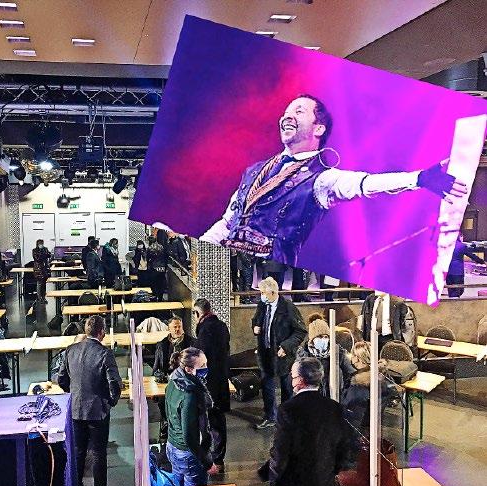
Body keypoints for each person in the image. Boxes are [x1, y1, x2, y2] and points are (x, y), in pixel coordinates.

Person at [200, 94, 467, 266]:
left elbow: (366, 184)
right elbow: (228, 222)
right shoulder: (254, 171)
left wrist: (418, 178)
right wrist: (200, 250)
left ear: (319, 128)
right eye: (286, 112)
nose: (287, 116)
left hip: (268, 270)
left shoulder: (322, 180)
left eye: (299, 111)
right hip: (229, 264)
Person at [56, 315, 122, 486]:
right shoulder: (105, 353)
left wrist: (74, 394)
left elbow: (61, 379)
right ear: (102, 332)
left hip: (76, 410)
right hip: (98, 411)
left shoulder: (70, 350)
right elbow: (115, 384)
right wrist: (110, 402)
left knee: (78, 452)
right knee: (98, 453)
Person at [268, 358, 350, 486]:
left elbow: (281, 451)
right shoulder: (335, 408)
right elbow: (343, 447)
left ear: (300, 380)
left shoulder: (287, 409)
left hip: (294, 485)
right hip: (325, 484)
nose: (291, 381)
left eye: (293, 377)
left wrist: (274, 480)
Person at [252, 276, 307, 429]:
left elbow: (300, 331)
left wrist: (286, 346)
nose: (261, 295)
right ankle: (270, 416)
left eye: (263, 293)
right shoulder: (262, 306)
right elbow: (256, 320)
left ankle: (286, 418)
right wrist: (255, 327)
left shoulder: (288, 308)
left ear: (273, 293)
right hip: (265, 353)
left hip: (283, 356)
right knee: (267, 386)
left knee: (287, 388)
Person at [165, 347, 212, 486]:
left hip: (172, 446)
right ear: (188, 369)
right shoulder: (189, 395)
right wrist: (206, 462)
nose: (206, 368)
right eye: (202, 366)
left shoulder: (173, 382)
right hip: (187, 454)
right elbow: (189, 437)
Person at [193, 298, 231, 475]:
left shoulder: (204, 331)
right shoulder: (222, 326)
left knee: (206, 422)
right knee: (219, 421)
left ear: (198, 313)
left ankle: (208, 460)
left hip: (208, 384)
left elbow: (201, 360)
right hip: (221, 380)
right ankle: (219, 459)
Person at [341, 341, 399, 454]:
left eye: (354, 355)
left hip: (357, 434)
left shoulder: (359, 386)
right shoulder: (381, 377)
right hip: (372, 429)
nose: (351, 358)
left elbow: (348, 409)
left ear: (359, 359)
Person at [152, 317, 195, 441]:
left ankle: (183, 426)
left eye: (179, 326)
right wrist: (159, 376)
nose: (177, 329)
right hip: (168, 380)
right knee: (163, 400)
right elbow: (156, 367)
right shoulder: (162, 345)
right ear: (169, 329)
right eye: (174, 327)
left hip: (186, 380)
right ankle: (167, 422)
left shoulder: (191, 343)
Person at [295, 313, 354, 398]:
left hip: (335, 397)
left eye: (326, 337)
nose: (323, 339)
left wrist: (345, 393)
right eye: (319, 337)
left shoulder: (338, 352)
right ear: (312, 339)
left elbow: (350, 373)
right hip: (312, 398)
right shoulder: (304, 354)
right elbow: (298, 378)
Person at [146, 235, 167, 301]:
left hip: (154, 268)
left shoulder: (150, 248)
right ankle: (160, 297)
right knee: (161, 283)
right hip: (162, 268)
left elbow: (147, 258)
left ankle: (155, 296)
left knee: (154, 283)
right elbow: (165, 256)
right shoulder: (161, 246)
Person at [32, 239, 51, 303]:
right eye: (40, 243)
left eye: (42, 243)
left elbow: (49, 255)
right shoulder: (34, 250)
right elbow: (37, 259)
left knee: (44, 283)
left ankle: (43, 297)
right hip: (38, 269)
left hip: (45, 268)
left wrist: (45, 254)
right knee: (39, 283)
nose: (41, 245)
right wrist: (43, 254)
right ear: (37, 244)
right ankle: (39, 298)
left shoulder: (45, 249)